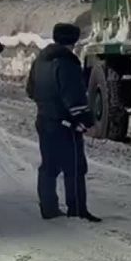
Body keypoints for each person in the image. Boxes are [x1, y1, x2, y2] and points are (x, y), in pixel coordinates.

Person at [25, 23, 100, 222]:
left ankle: (48, 208)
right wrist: (85, 120)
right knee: (74, 167)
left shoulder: (41, 59)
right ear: (74, 41)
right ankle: (77, 210)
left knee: (49, 166)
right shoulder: (68, 62)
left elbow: (30, 90)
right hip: (65, 124)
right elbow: (73, 96)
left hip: (44, 120)